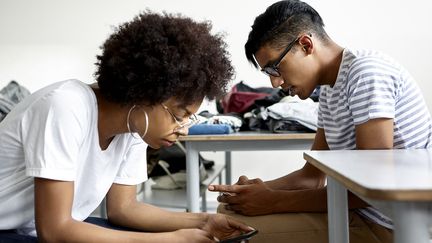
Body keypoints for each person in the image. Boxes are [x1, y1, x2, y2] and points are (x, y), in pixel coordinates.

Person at [0, 11, 254, 243]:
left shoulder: (135, 125)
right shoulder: (64, 106)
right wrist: (174, 240)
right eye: (178, 116)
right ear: (145, 95)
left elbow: (124, 209)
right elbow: (55, 231)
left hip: (39, 229)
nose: (184, 130)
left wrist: (204, 221)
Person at [208, 0, 432, 242]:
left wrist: (273, 200)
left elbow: (372, 190)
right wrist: (256, 191)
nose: (275, 83)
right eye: (269, 74)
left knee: (233, 231)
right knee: (228, 211)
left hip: (392, 225)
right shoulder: (329, 88)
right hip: (360, 213)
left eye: (275, 68)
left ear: (305, 44)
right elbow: (312, 177)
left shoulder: (367, 73)